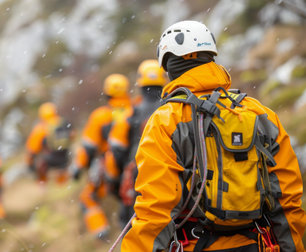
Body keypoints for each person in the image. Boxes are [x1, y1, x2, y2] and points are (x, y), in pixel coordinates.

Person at [121, 20, 305, 251]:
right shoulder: (259, 113)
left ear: (168, 66)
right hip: (259, 244)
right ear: (211, 57)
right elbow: (288, 201)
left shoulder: (165, 121)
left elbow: (155, 211)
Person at [104, 59, 168, 228]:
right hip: (168, 179)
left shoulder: (130, 113)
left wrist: (115, 180)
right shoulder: (173, 109)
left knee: (132, 227)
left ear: (140, 83)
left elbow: (116, 150)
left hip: (136, 178)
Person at [70, 73, 133, 239]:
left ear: (107, 93)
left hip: (109, 170)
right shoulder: (135, 111)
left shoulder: (100, 116)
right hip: (136, 168)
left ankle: (102, 232)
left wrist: (78, 167)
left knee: (87, 198)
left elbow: (88, 148)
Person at [26, 102, 73, 184]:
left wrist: (30, 166)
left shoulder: (40, 128)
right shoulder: (63, 122)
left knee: (40, 165)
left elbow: (32, 150)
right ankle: (63, 182)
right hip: (66, 156)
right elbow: (72, 135)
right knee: (62, 172)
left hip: (50, 159)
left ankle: (42, 184)